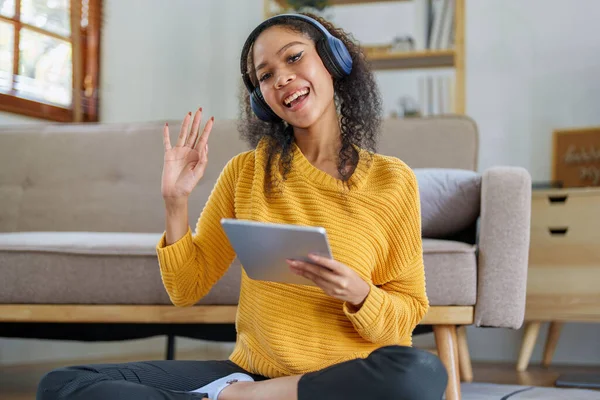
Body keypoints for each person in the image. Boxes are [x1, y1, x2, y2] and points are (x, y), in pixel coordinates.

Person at [37, 12, 448, 400]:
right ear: (260, 98)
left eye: (294, 57)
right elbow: (186, 288)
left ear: (333, 61)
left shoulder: (392, 180)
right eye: (265, 76)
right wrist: (175, 202)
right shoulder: (247, 172)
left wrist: (359, 294)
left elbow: (406, 314)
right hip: (251, 373)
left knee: (421, 373)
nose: (282, 78)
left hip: (344, 380)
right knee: (64, 384)